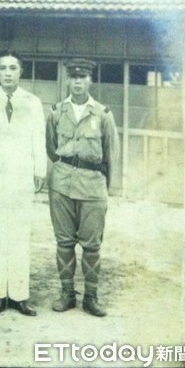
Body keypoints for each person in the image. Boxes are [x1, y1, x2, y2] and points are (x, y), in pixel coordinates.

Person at [0, 50, 46, 316]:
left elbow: (39, 137)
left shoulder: (32, 102)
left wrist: (40, 170)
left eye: (13, 68)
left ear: (21, 71)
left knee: (20, 236)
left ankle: (19, 295)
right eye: (3, 68)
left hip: (22, 177)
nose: (7, 73)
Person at [46, 58, 119, 317]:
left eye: (83, 77)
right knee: (64, 242)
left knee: (92, 245)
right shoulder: (56, 112)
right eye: (73, 77)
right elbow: (51, 148)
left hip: (92, 187)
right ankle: (67, 294)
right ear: (68, 80)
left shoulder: (102, 114)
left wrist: (107, 190)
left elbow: (111, 155)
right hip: (62, 186)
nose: (78, 82)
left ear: (90, 81)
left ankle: (91, 296)